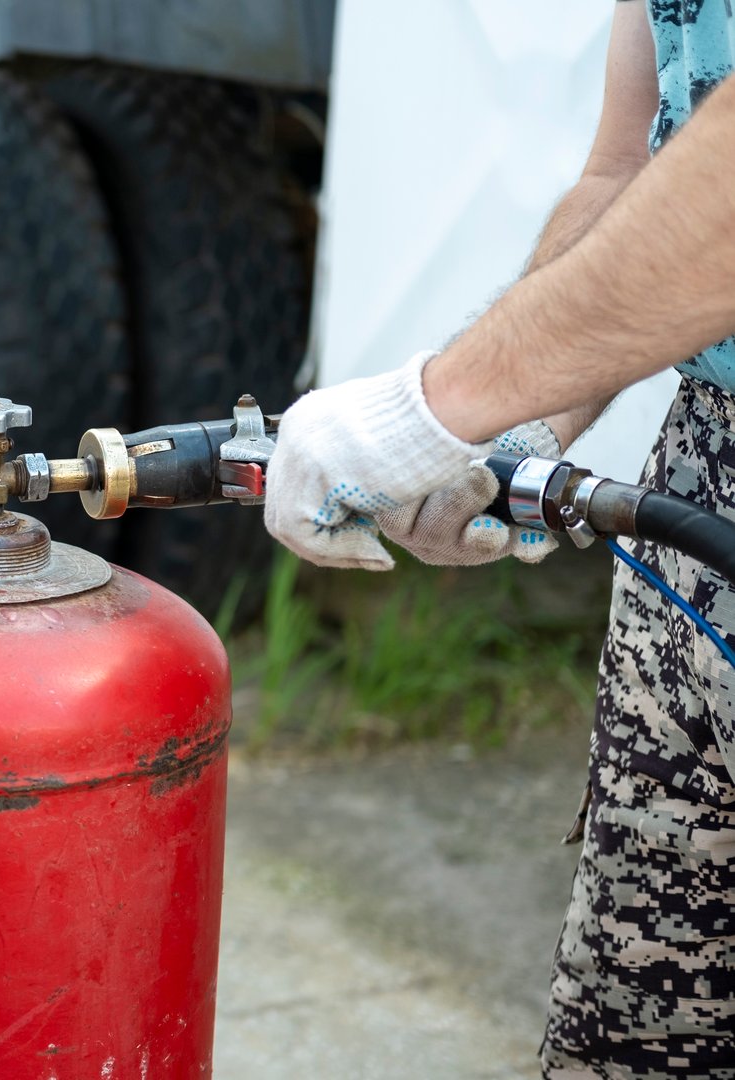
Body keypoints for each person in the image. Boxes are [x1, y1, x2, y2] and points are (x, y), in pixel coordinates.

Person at [263, 2, 735, 1076]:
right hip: (700, 498)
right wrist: (526, 432)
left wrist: (435, 407)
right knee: (636, 1032)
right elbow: (631, 171)